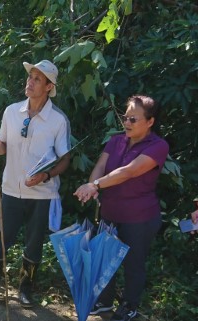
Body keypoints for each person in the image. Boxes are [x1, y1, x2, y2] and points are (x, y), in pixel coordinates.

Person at [0, 60, 71, 308]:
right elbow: (3, 146)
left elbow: (65, 159)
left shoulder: (58, 120)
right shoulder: (11, 112)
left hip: (42, 193)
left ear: (49, 86)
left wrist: (46, 176)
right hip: (11, 190)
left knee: (34, 244)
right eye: (30, 77)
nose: (30, 81)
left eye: (38, 79)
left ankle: (25, 291)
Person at [73, 95, 169, 321]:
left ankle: (128, 306)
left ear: (150, 122)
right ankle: (104, 302)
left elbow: (129, 171)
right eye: (125, 117)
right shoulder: (116, 141)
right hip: (110, 213)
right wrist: (93, 187)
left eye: (133, 119)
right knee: (105, 259)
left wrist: (95, 185)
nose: (126, 123)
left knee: (133, 264)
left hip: (139, 218)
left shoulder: (158, 146)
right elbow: (101, 165)